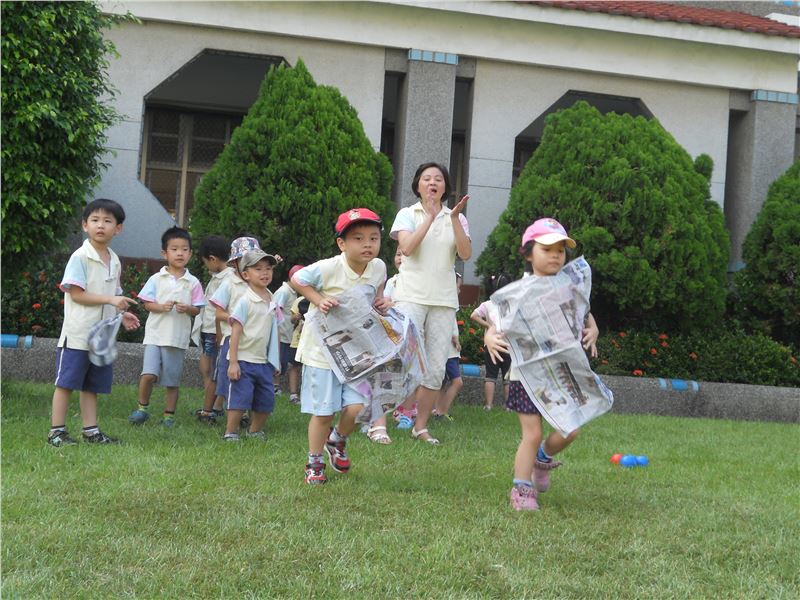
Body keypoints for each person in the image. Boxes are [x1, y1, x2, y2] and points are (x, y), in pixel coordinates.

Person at [483, 218, 599, 511]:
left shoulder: (569, 287)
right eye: (547, 249)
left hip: (560, 373)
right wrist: (490, 336)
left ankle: (542, 460)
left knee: (571, 429)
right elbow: (493, 317)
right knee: (532, 434)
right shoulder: (519, 290)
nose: (555, 256)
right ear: (528, 253)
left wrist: (593, 329)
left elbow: (583, 312)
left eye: (560, 250)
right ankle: (521, 489)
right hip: (527, 375)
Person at [290, 208, 390, 485]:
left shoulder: (378, 267)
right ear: (341, 244)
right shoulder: (329, 268)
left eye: (373, 238)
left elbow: (377, 293)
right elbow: (297, 279)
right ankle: (314, 462)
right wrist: (318, 299)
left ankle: (337, 440)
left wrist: (381, 302)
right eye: (358, 238)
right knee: (324, 412)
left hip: (356, 351)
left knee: (359, 407)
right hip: (322, 352)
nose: (367, 244)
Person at [389, 162, 471, 444]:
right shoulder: (407, 214)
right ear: (418, 185)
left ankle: (420, 426)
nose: (432, 183)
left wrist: (453, 219)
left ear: (445, 186)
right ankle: (380, 418)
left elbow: (465, 254)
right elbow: (407, 248)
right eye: (427, 179)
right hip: (411, 296)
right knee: (404, 360)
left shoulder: (456, 217)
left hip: (443, 300)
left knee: (436, 368)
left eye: (438, 179)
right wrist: (430, 218)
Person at [48, 199, 140, 446]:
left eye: (107, 221)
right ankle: (56, 432)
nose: (101, 225)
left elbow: (114, 294)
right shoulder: (80, 257)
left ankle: (91, 431)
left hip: (101, 338)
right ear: (85, 225)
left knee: (92, 386)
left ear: (118, 228)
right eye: (95, 220)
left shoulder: (114, 259)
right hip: (78, 335)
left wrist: (121, 315)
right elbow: (77, 294)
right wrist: (111, 299)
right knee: (66, 384)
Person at [128, 227, 205, 427]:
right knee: (148, 374)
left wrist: (187, 308)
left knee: (172, 380)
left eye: (184, 249)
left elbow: (197, 309)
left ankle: (169, 416)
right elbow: (146, 304)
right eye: (174, 249)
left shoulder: (193, 282)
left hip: (177, 338)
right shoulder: (156, 278)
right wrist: (161, 307)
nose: (180, 253)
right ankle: (142, 408)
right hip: (155, 335)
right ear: (165, 253)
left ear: (190, 254)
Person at [224, 249, 281, 441]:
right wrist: (233, 362)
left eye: (268, 268)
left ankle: (255, 430)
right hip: (243, 359)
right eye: (258, 269)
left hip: (263, 361)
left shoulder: (272, 298)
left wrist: (275, 360)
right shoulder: (245, 300)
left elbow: (274, 330)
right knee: (240, 398)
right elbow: (235, 332)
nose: (265, 273)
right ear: (246, 274)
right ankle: (231, 432)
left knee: (266, 399)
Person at [209, 236, 262, 429]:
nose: (248, 264)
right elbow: (218, 312)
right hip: (232, 340)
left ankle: (249, 416)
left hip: (254, 342)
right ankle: (230, 416)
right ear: (235, 263)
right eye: (244, 260)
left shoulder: (259, 283)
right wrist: (237, 317)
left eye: (253, 260)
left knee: (252, 379)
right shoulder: (229, 283)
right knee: (230, 378)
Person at [194, 235, 233, 424]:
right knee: (210, 370)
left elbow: (219, 309)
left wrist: (219, 333)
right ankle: (214, 406)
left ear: (213, 259)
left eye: (206, 262)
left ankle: (210, 409)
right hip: (210, 329)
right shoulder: (221, 276)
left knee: (212, 371)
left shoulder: (227, 279)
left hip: (215, 331)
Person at [470, 274, 513, 411]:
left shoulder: (487, 304)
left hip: (490, 345)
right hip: (507, 345)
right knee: (508, 377)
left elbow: (473, 315)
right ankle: (508, 406)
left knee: (490, 375)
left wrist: (488, 325)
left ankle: (488, 405)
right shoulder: (511, 305)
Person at [273, 264, 305, 404]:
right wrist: (276, 332)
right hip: (280, 333)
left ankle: (275, 387)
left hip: (288, 334)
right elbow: (276, 311)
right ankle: (274, 387)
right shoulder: (284, 291)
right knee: (278, 361)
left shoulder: (293, 292)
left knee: (284, 362)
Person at [432, 318, 462, 421]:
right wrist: (455, 339)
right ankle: (442, 412)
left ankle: (438, 412)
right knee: (457, 382)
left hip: (445, 351)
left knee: (442, 383)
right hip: (449, 352)